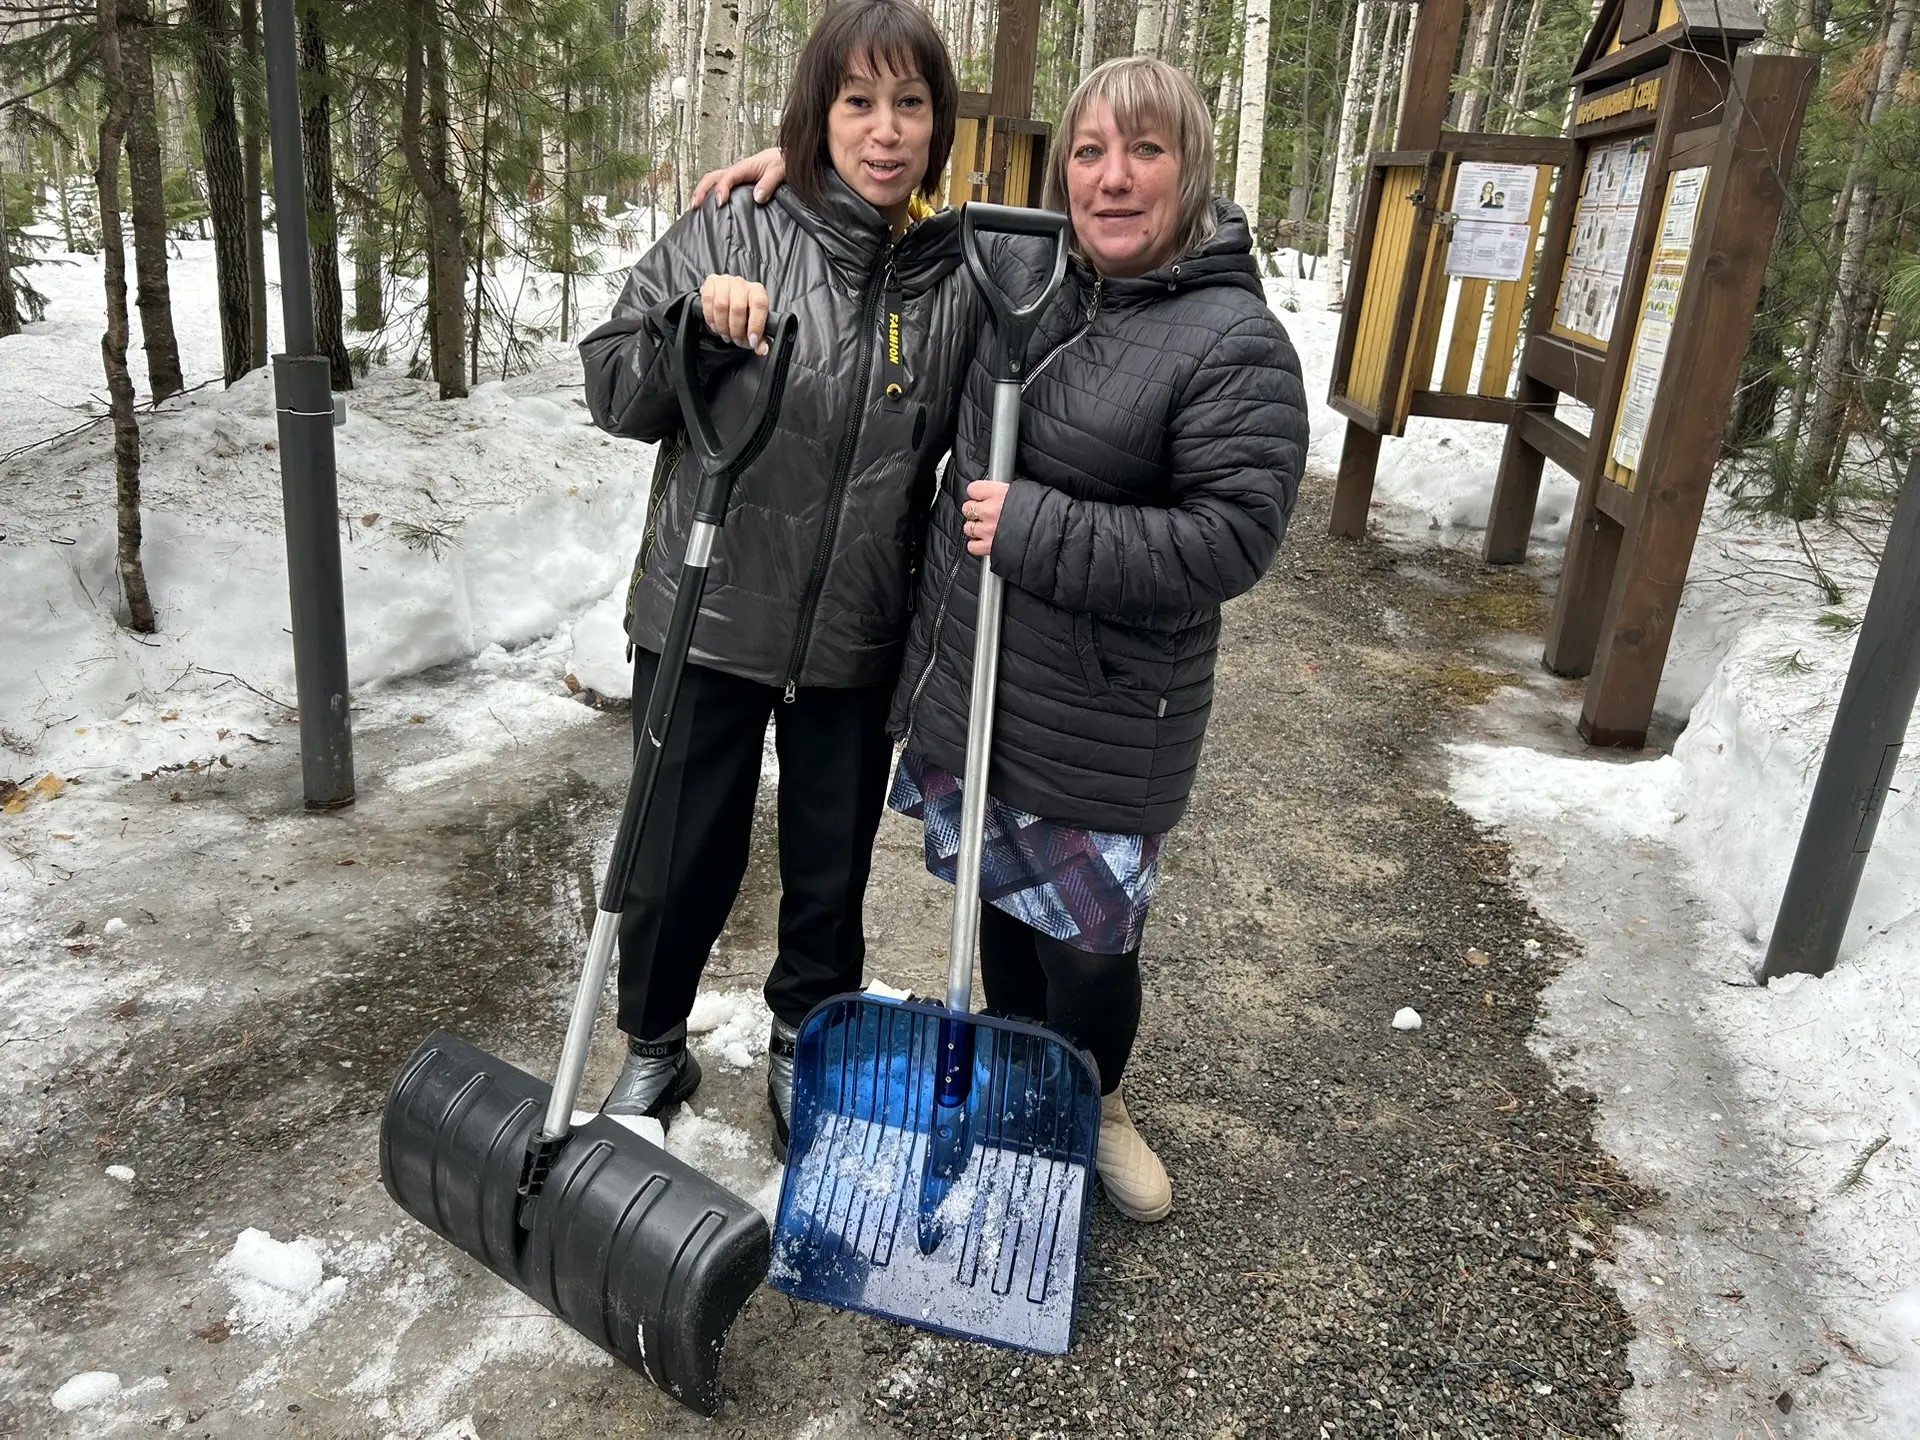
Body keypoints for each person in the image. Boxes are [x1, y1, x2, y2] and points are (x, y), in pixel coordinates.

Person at [695, 57, 1308, 1220]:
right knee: (1003, 910)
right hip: (981, 684)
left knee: (1087, 947)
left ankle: (1096, 1100)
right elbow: (898, 226)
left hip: (1102, 715)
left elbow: (1231, 540)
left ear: (1192, 170)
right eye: (1090, 152)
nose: (1113, 179)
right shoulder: (1025, 269)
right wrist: (811, 172)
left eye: (1146, 152)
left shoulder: (1235, 342)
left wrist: (1036, 527)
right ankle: (1023, 1088)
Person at [577, 0, 981, 1160]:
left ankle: (807, 1032)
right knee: (673, 855)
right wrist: (693, 329)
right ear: (817, 111)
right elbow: (613, 385)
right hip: (707, 607)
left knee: (828, 870)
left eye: (910, 104)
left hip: (856, 625)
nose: (885, 130)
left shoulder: (956, 277)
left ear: (939, 124)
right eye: (857, 102)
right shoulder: (736, 222)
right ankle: (655, 1040)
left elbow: (1107, 236)